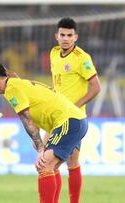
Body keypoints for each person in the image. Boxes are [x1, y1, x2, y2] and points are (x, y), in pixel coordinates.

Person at [0, 61, 88, 203]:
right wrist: (38, 141)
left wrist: (41, 147)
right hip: (74, 120)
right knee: (51, 166)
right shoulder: (15, 84)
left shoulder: (12, 88)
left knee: (44, 165)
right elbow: (36, 109)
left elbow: (26, 118)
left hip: (68, 122)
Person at [49, 17, 101, 203]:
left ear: (76, 37)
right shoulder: (54, 54)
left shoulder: (82, 58)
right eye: (62, 35)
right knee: (50, 165)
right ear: (56, 36)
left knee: (66, 163)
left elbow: (96, 87)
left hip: (73, 118)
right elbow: (57, 85)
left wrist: (75, 106)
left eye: (69, 35)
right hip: (55, 117)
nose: (65, 38)